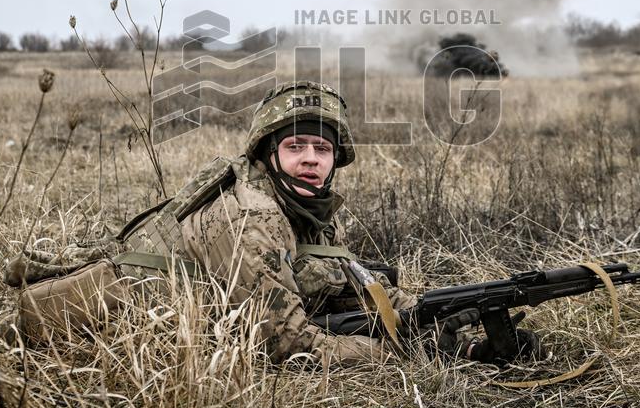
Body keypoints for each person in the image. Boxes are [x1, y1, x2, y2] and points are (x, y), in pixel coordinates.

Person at [140, 80, 537, 365]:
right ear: (267, 155)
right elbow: (282, 343)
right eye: (295, 146)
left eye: (322, 148)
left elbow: (356, 294)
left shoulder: (311, 212)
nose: (311, 158)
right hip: (121, 320)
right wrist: (406, 351)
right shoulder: (251, 217)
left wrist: (457, 337)